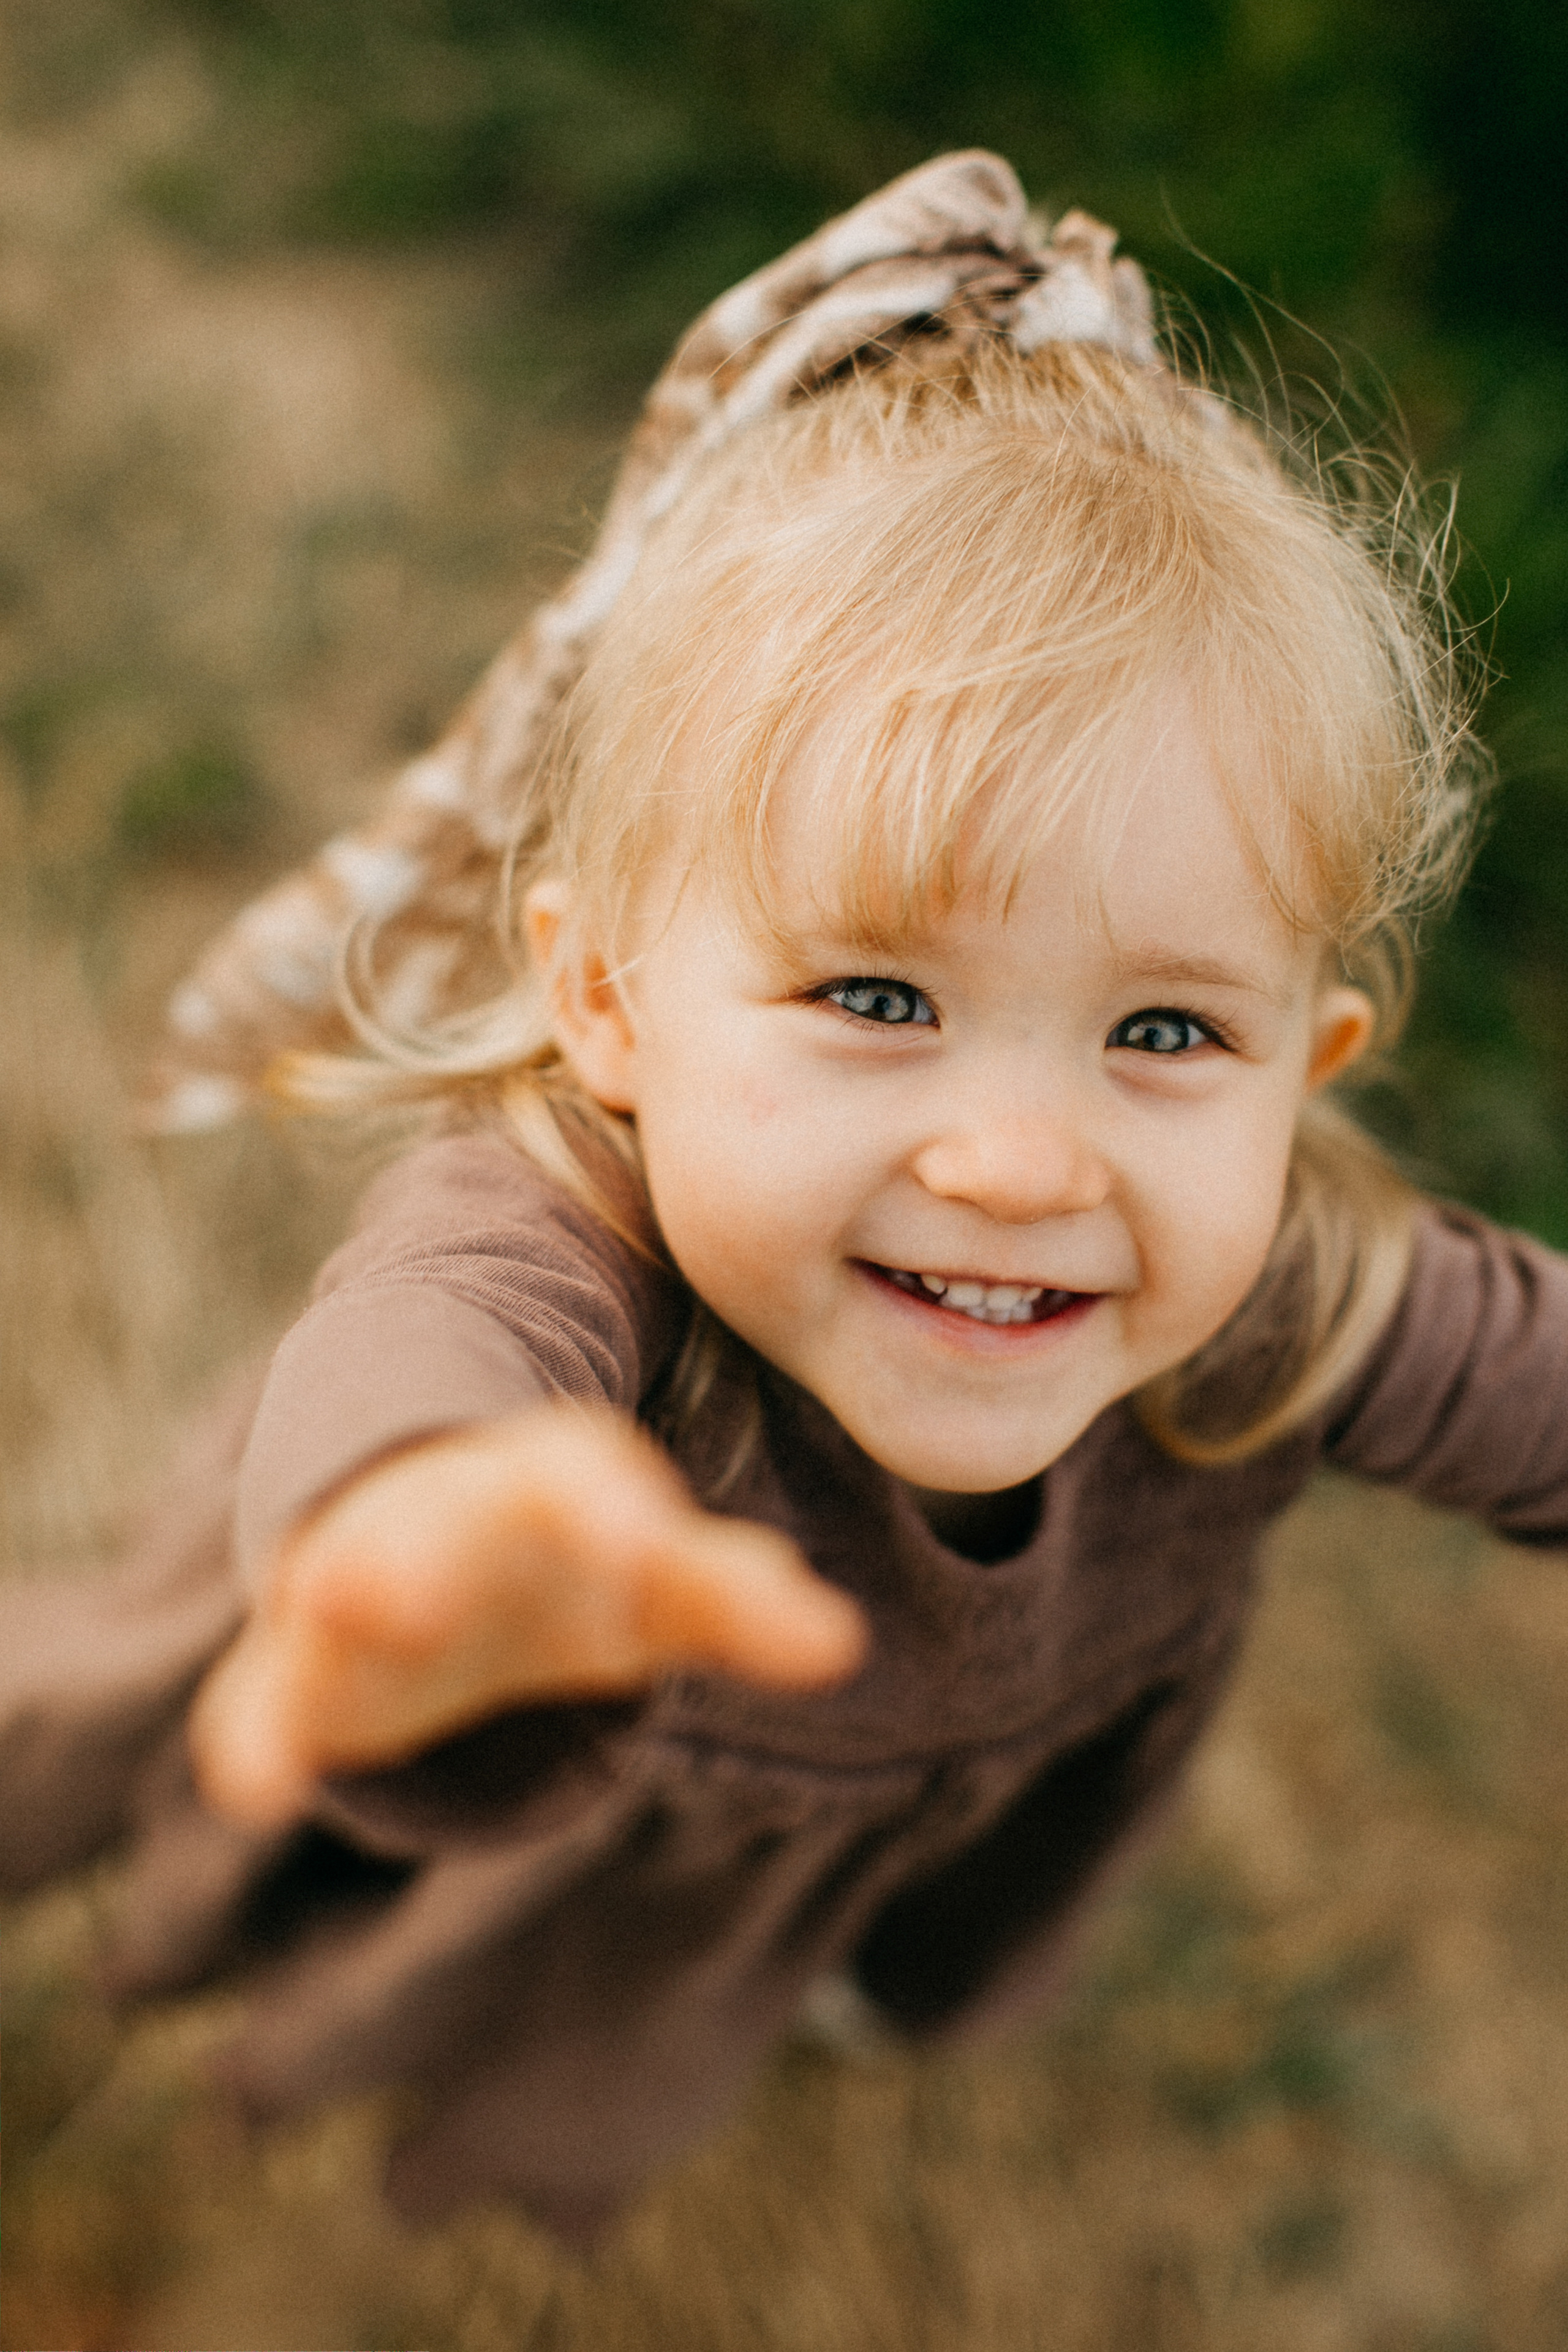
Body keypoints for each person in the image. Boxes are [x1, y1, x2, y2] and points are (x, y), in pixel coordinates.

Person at [4, 151, 1563, 2248]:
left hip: (832, 1838)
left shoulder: (1295, 1292)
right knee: (392, 1947)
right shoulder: (561, 1232)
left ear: (1312, 1064)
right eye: (878, 994)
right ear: (606, 1002)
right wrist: (413, 1521)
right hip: (474, 1721)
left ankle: (809, 1968)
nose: (1023, 1164)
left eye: (1169, 1036)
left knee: (715, 1999)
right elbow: (426, 1359)